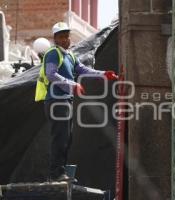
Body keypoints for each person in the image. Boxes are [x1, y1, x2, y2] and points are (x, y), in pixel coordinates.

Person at [34, 22, 118, 182]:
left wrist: (103, 74)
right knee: (59, 137)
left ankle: (60, 172)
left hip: (65, 101)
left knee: (66, 137)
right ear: (55, 39)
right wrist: (72, 84)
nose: (65, 39)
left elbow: (84, 70)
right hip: (56, 102)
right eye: (61, 37)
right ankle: (55, 174)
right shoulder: (53, 53)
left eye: (66, 36)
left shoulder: (70, 55)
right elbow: (51, 74)